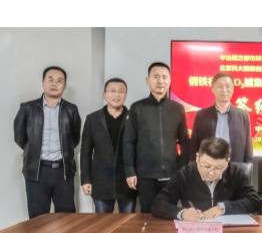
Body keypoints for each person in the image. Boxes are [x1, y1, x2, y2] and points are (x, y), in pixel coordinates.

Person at [13, 66, 81, 219]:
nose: (54, 84)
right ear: (43, 83)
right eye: (50, 80)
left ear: (64, 85)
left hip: (63, 171)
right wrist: (33, 150)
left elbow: (74, 139)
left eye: (59, 81)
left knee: (66, 218)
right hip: (37, 171)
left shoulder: (71, 110)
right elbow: (19, 137)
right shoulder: (27, 108)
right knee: (37, 219)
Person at [124, 62, 190, 213]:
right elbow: (128, 142)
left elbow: (185, 142)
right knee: (147, 214)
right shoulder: (137, 108)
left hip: (172, 174)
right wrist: (130, 171)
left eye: (164, 77)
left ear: (170, 81)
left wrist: (182, 169)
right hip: (145, 175)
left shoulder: (177, 108)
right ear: (147, 80)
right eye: (156, 77)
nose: (161, 81)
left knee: (169, 213)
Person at [152, 137, 260, 221]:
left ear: (227, 161)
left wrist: (223, 208)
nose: (211, 173)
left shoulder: (235, 173)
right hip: (195, 232)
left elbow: (254, 201)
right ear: (197, 157)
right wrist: (182, 213)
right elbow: (158, 204)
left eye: (219, 168)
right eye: (207, 166)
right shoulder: (185, 175)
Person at [80, 78, 137, 214]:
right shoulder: (92, 119)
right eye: (112, 91)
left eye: (121, 91)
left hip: (127, 181)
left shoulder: (134, 118)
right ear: (104, 94)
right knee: (102, 223)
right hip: (101, 182)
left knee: (127, 222)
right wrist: (86, 180)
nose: (117, 95)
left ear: (126, 94)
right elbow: (85, 152)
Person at [190, 72, 253, 163]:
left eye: (228, 86)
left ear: (233, 89)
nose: (224, 90)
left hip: (235, 167)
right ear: (212, 89)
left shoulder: (243, 116)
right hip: (209, 167)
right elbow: (194, 146)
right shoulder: (201, 115)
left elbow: (248, 149)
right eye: (219, 86)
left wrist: (248, 167)